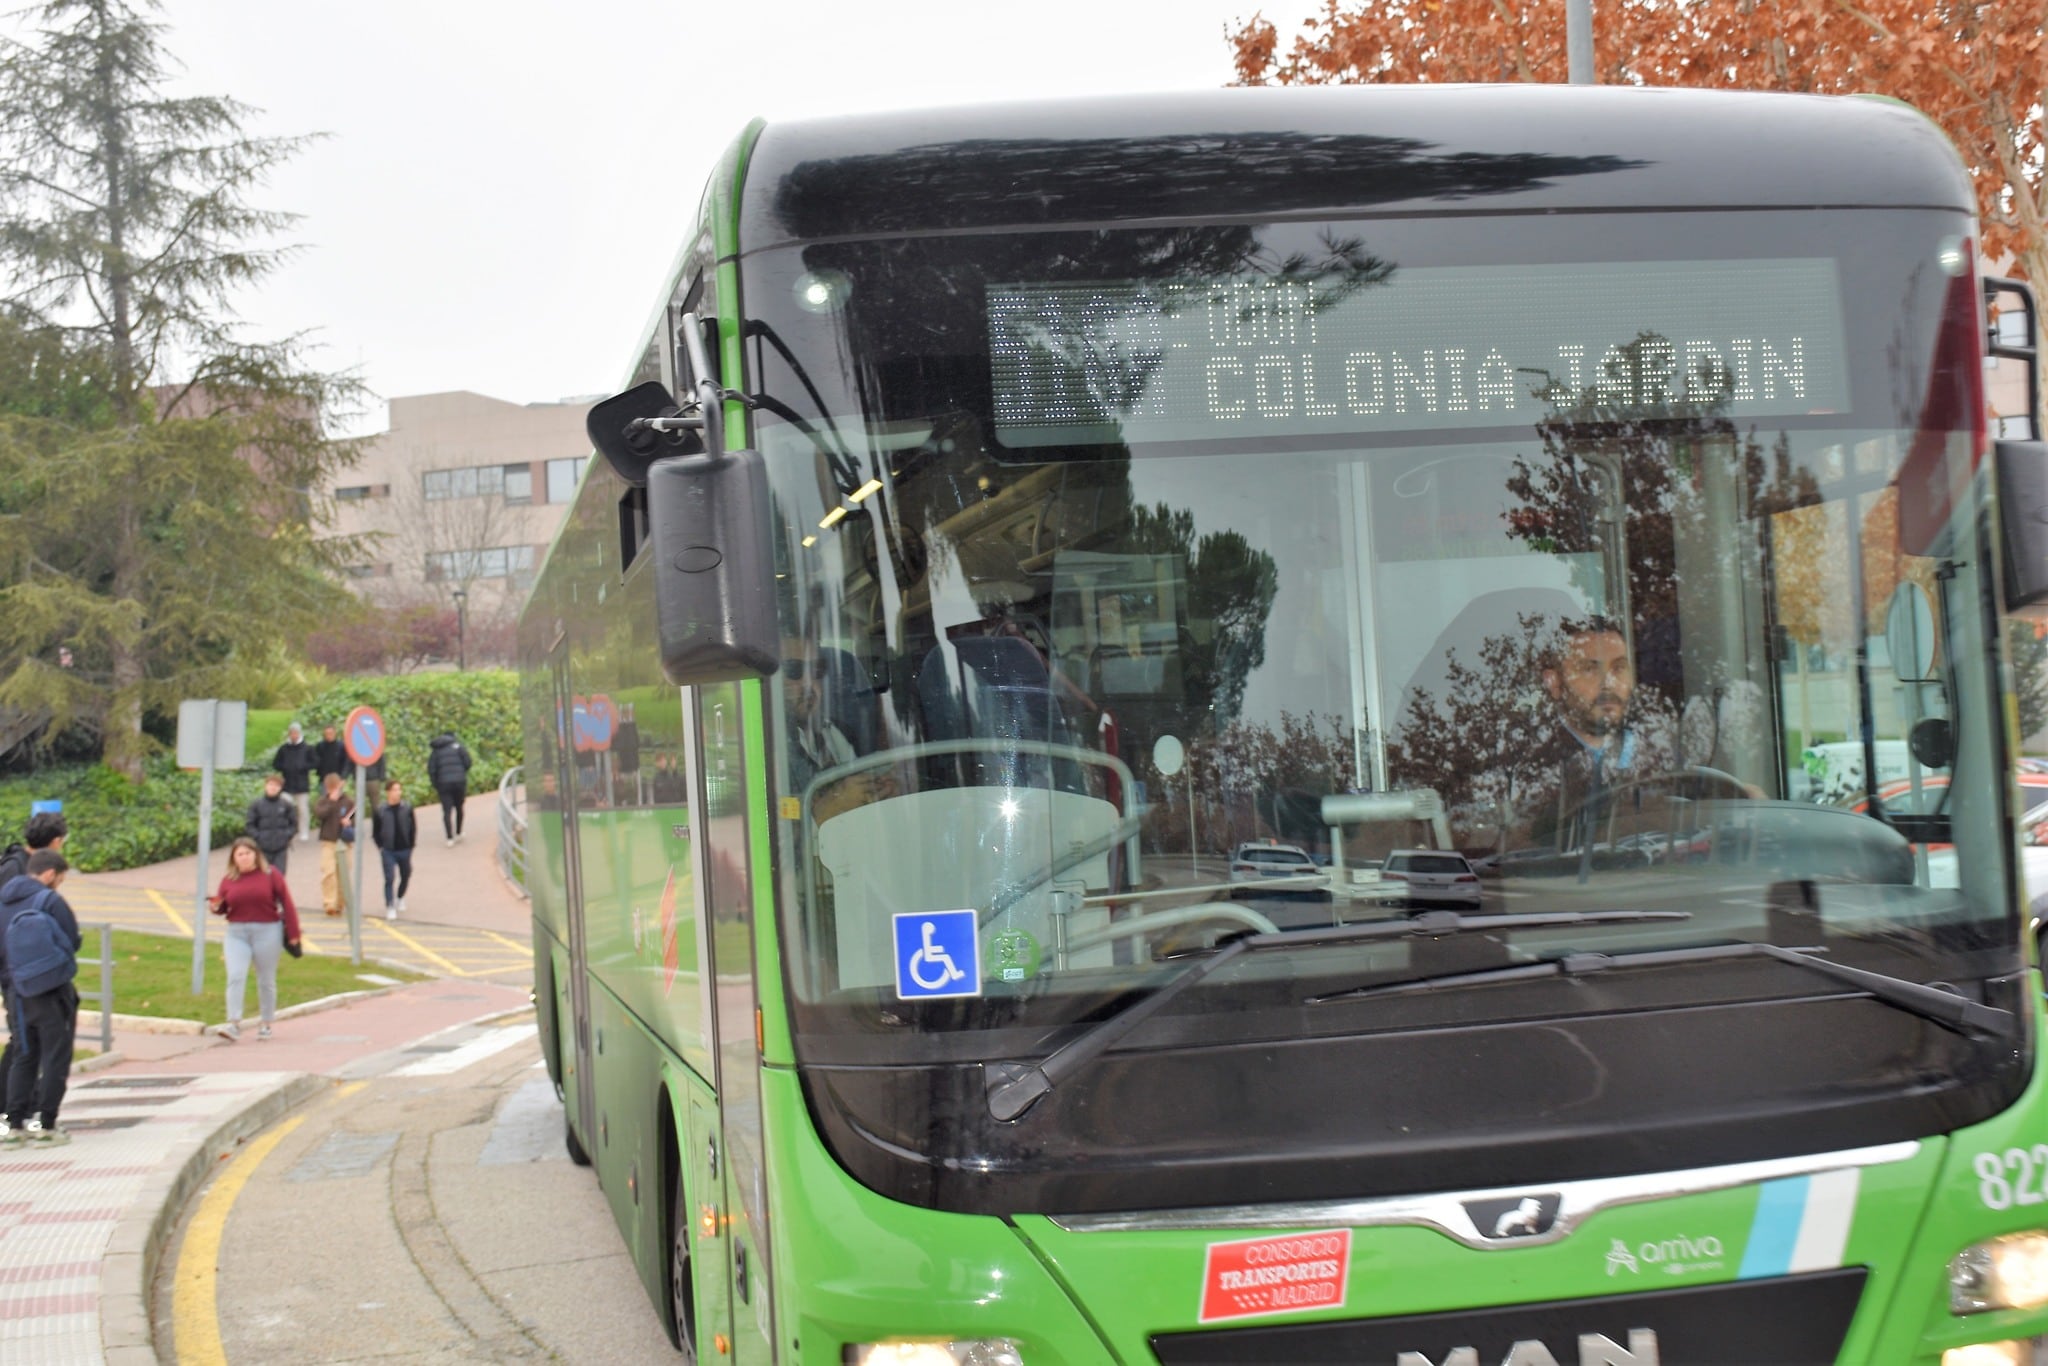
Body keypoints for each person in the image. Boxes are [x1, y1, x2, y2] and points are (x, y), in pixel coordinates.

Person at [1526, 614, 1671, 851]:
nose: (1609, 683)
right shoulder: (1529, 769)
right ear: (1554, 682)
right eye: (1590, 669)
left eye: (1619, 668)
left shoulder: (1664, 750)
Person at [1, 850, 81, 1146]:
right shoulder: (50, 901)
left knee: (24, 1054)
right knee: (55, 1054)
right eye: (60, 878)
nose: (59, 883)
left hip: (15, 991)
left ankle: (13, 1122)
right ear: (49, 873)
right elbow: (72, 940)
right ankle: (46, 1123)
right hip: (50, 990)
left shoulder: (3, 900)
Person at [0, 811, 67, 1124]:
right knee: (23, 1040)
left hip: (21, 968)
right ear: (54, 843)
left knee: (25, 1039)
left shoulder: (16, 866)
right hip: (17, 970)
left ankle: (21, 1104)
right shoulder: (18, 871)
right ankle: (11, 1106)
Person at [208, 837, 301, 1041]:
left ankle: (266, 1023)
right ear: (234, 858)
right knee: (235, 975)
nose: (244, 857)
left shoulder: (270, 874)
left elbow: (287, 903)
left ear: (256, 855)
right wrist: (216, 906)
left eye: (248, 853)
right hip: (236, 933)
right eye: (240, 854)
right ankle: (233, 1023)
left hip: (267, 931)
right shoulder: (228, 879)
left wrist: (294, 933)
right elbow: (223, 906)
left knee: (266, 979)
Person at [370, 779, 418, 920]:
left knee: (406, 874)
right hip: (388, 850)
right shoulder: (381, 810)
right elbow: (376, 831)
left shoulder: (407, 808)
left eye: (399, 789)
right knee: (389, 877)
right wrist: (380, 846)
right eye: (395, 789)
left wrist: (411, 844)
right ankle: (390, 905)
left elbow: (413, 827)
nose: (398, 792)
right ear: (388, 792)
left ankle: (400, 896)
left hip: (404, 848)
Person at [312, 772, 355, 917]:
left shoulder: (348, 802)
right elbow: (320, 814)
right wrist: (331, 801)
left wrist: (349, 823)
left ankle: (340, 904)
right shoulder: (323, 801)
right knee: (328, 873)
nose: (333, 791)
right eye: (330, 788)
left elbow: (356, 819)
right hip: (328, 842)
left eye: (335, 788)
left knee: (343, 875)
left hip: (344, 843)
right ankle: (329, 903)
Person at [244, 773, 299, 874]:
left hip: (281, 848)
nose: (273, 788)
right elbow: (249, 825)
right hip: (262, 847)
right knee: (262, 876)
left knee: (279, 876)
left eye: (276, 785)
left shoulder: (286, 805)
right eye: (270, 785)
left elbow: (294, 824)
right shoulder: (256, 805)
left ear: (280, 788)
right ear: (265, 786)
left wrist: (286, 836)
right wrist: (258, 837)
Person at [427, 730, 474, 845]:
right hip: (459, 781)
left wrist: (436, 784)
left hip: (443, 783)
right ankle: (458, 832)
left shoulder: (436, 751)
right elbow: (468, 762)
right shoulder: (458, 747)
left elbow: (431, 769)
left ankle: (449, 838)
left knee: (447, 810)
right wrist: (462, 773)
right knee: (459, 807)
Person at [272, 723, 315, 842]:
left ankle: (304, 832)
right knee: (284, 808)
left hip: (302, 784)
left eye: (296, 733)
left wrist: (303, 767)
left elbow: (315, 763)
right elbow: (275, 763)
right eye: (292, 733)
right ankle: (286, 831)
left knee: (303, 810)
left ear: (300, 733)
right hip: (287, 784)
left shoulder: (307, 748)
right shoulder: (284, 748)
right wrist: (284, 767)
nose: (294, 735)